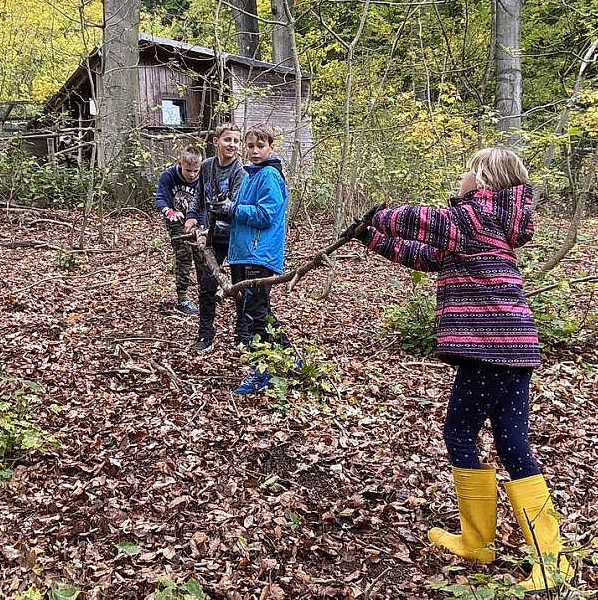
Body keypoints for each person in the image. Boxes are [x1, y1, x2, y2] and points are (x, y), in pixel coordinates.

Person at [343, 147, 572, 593]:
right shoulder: (485, 227)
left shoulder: (474, 218)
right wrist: (370, 236)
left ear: (483, 180)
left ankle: (484, 543)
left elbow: (424, 221)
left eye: (468, 169)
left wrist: (380, 216)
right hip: (514, 348)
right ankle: (544, 558)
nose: (462, 176)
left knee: (459, 434)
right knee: (511, 442)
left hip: (490, 349)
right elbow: (425, 255)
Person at [208, 123, 292, 395]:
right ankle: (289, 358)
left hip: (259, 254)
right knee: (258, 312)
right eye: (251, 146)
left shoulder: (269, 175)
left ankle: (262, 371)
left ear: (271, 148)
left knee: (255, 314)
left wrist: (233, 209)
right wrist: (223, 215)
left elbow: (266, 215)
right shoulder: (250, 175)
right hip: (243, 253)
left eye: (260, 146)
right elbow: (242, 214)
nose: (255, 151)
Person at [184, 124, 247, 351]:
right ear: (216, 141)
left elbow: (234, 207)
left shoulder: (240, 172)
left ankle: (243, 336)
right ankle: (205, 336)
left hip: (236, 237)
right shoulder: (207, 166)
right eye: (228, 140)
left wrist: (215, 222)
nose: (232, 145)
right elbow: (199, 196)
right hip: (213, 238)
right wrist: (192, 216)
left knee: (239, 287)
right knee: (207, 285)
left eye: (236, 141)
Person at [154, 145, 204, 316]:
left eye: (195, 171)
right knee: (184, 255)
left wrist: (201, 224)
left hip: (197, 220)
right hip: (176, 221)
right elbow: (160, 197)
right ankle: (182, 298)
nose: (192, 175)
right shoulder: (168, 176)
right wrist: (168, 211)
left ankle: (205, 293)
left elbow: (204, 203)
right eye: (188, 170)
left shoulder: (203, 177)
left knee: (202, 255)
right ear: (180, 164)